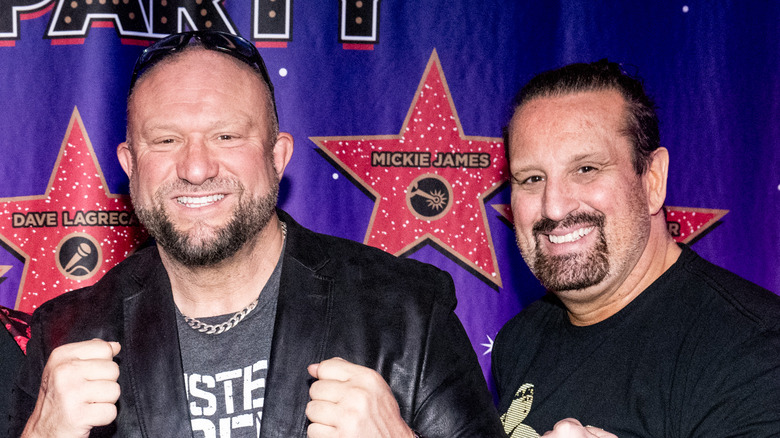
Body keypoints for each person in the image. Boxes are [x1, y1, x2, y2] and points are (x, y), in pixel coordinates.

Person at [9, 31, 504, 437]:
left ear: (277, 157)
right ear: (130, 167)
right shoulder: (64, 334)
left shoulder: (407, 312)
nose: (197, 168)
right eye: (166, 140)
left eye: (226, 136)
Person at [493, 59, 780, 437]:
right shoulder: (519, 341)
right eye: (531, 178)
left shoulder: (756, 352)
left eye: (586, 169)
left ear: (652, 181)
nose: (554, 207)